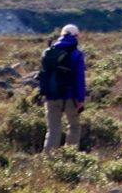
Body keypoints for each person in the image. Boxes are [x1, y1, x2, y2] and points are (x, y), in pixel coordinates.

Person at [37, 23, 87, 152]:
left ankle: (47, 160)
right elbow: (79, 79)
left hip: (50, 96)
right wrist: (80, 99)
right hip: (70, 97)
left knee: (53, 129)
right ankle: (69, 158)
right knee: (74, 127)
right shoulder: (77, 54)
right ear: (76, 36)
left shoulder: (48, 52)